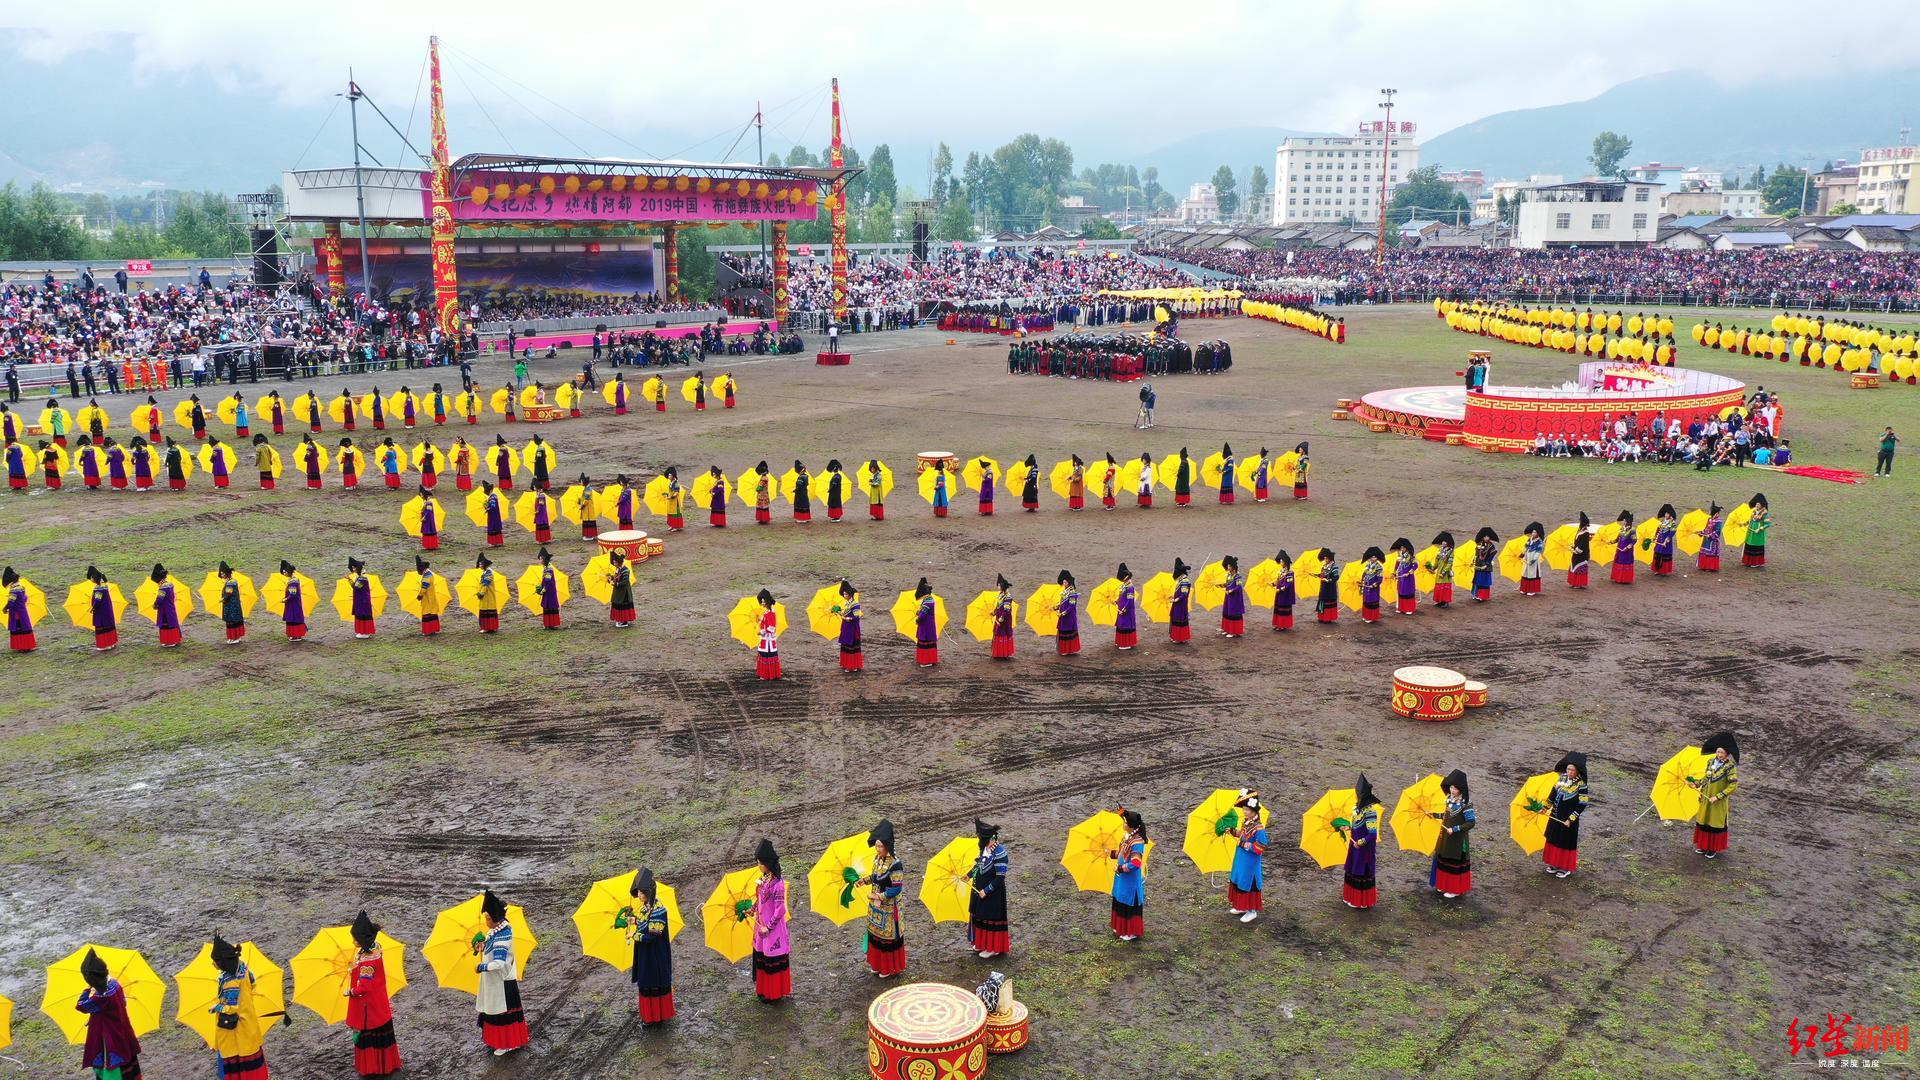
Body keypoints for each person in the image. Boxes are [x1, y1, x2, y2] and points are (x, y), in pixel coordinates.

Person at [340, 911, 403, 1076]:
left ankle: (372, 1068)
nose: (353, 941)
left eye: (355, 938)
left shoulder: (367, 961)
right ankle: (386, 1064)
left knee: (369, 1038)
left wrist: (350, 991)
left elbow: (364, 987)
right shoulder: (375, 949)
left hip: (369, 1008)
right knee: (383, 1037)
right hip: (379, 1003)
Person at [206, 935, 271, 1080]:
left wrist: (217, 1007)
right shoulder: (243, 967)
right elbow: (253, 983)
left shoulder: (230, 981)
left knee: (238, 1064)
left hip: (236, 1031)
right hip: (249, 1024)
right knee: (252, 1053)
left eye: (215, 961)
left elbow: (232, 1007)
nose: (213, 964)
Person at [75, 947, 145, 1080]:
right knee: (127, 1062)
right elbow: (122, 1003)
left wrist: (87, 990)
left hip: (108, 1039)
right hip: (122, 1032)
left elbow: (81, 1006)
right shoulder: (116, 984)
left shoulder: (100, 997)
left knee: (111, 1069)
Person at [474, 890, 529, 1056]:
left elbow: (499, 963)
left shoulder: (503, 935)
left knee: (500, 1013)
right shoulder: (496, 931)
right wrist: (481, 947)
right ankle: (501, 1041)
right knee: (493, 1011)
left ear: (496, 918)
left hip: (501, 982)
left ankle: (508, 1043)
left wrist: (481, 967)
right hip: (494, 982)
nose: (486, 921)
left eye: (488, 918)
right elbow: (492, 951)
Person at [626, 869, 675, 1026]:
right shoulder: (646, 906)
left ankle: (655, 1017)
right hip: (647, 954)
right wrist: (633, 920)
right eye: (638, 892)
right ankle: (653, 1015)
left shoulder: (659, 911)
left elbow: (651, 936)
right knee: (649, 982)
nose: (639, 896)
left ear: (649, 892)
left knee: (652, 982)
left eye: (641, 892)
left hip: (655, 955)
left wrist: (633, 936)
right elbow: (644, 923)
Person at [863, 820, 908, 977]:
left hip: (889, 908)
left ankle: (888, 968)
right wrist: (864, 881)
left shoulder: (896, 865)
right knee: (875, 935)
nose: (878, 849)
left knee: (887, 939)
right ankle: (877, 964)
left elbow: (896, 888)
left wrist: (879, 896)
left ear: (887, 846)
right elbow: (876, 876)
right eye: (876, 846)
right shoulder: (877, 859)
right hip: (876, 907)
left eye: (880, 846)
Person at [750, 839, 792, 1003]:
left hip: (771, 930)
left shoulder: (778, 885)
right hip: (761, 927)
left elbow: (780, 909)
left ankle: (773, 993)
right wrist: (752, 909)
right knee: (762, 957)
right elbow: (759, 899)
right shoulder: (763, 879)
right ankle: (763, 990)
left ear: (768, 863)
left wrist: (769, 927)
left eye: (761, 863)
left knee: (771, 959)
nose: (759, 866)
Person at [1688, 733, 1739, 858]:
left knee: (1714, 823)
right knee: (1704, 820)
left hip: (1717, 801)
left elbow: (1733, 786)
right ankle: (1703, 845)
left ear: (1727, 754)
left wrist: (1718, 796)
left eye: (1722, 752)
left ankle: (1712, 848)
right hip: (1706, 798)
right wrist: (1696, 783)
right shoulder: (1711, 761)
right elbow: (1707, 777)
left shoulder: (1730, 767)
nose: (1719, 754)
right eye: (1718, 752)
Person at [1540, 752, 1590, 878]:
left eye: (1572, 770)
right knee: (1554, 838)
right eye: (1568, 769)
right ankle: (1554, 863)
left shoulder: (1581, 786)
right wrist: (1545, 808)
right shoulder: (1561, 778)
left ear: (1578, 771)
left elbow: (1582, 804)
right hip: (1555, 816)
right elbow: (1553, 795)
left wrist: (1571, 819)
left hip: (1568, 821)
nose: (1570, 772)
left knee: (1565, 842)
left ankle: (1565, 867)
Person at [1430, 770, 1476, 899]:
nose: (1452, 790)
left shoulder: (1466, 804)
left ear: (1461, 789)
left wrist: (1455, 829)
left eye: (1455, 788)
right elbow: (1446, 816)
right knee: (1444, 859)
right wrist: (1433, 815)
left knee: (1454, 863)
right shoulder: (1448, 800)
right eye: (1451, 787)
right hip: (1446, 839)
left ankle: (1455, 889)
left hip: (1457, 841)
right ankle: (1444, 885)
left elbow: (1471, 823)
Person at [969, 818, 1010, 958]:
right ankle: (981, 943)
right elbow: (979, 865)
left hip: (993, 894)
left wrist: (986, 891)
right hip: (979, 891)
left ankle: (994, 947)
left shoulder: (1000, 853)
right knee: (980, 916)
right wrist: (969, 875)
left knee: (991, 918)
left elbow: (1000, 877)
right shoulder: (985, 849)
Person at [1225, 790, 1266, 923]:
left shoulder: (1259, 828)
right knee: (1240, 880)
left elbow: (1260, 847)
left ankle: (1252, 911)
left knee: (1249, 883)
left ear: (1254, 811)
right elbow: (1242, 835)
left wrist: (1243, 844)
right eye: (1244, 809)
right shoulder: (1246, 822)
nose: (1244, 811)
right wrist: (1232, 831)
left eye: (1247, 809)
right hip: (1241, 860)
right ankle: (1242, 906)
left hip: (1250, 863)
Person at [1340, 776, 1380, 909]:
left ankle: (1361, 901)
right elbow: (1357, 826)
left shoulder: (1370, 813)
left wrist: (1360, 842)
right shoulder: (1357, 810)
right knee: (1352, 868)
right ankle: (1351, 897)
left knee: (1361, 871)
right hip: (1354, 847)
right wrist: (1348, 827)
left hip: (1364, 850)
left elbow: (1372, 834)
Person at [1109, 809, 1148, 941]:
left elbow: (1135, 864)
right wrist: (1110, 853)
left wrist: (1120, 868)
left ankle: (1129, 931)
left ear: (1130, 825)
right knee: (1120, 899)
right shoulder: (1128, 837)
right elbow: (1122, 853)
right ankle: (1120, 928)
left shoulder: (1137, 843)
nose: (1123, 824)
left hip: (1130, 880)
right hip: (1122, 879)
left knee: (1128, 902)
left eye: (1125, 822)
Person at [149, 564, 183, 647]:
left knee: (166, 624)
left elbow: (160, 598)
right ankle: (175, 639)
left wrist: (155, 604)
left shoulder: (163, 588)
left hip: (165, 610)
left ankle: (169, 641)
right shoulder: (170, 585)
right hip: (171, 607)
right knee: (173, 622)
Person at [4, 567, 35, 653]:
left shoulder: (13, 590)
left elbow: (11, 602)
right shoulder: (21, 587)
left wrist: (5, 608)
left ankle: (21, 647)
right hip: (23, 611)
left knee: (18, 629)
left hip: (16, 613)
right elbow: (25, 598)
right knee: (25, 628)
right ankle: (28, 646)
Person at [834, 579, 863, 672]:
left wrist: (848, 619)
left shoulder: (855, 605)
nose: (844, 595)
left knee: (851, 646)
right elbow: (845, 613)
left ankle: (852, 666)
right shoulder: (847, 603)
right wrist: (838, 612)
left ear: (850, 594)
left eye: (846, 594)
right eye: (844, 594)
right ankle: (848, 664)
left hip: (852, 629)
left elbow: (857, 617)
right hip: (846, 627)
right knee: (846, 645)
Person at [346, 558, 377, 639]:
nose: (353, 569)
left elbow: (356, 587)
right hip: (361, 600)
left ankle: (364, 632)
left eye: (354, 568)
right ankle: (364, 631)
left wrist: (349, 580)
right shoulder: (360, 577)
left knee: (362, 615)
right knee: (361, 614)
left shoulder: (362, 578)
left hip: (362, 601)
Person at [215, 561, 246, 644]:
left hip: (232, 606)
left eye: (222, 573)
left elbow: (228, 593)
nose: (222, 575)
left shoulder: (230, 583)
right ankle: (233, 637)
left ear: (226, 573)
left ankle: (235, 637)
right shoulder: (230, 581)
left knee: (233, 620)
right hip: (231, 605)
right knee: (232, 621)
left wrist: (223, 599)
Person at [756, 588, 781, 679]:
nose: (762, 604)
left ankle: (767, 675)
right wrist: (760, 621)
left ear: (767, 601)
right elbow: (767, 624)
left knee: (766, 655)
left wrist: (761, 632)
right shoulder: (767, 612)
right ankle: (767, 674)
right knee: (765, 655)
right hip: (766, 640)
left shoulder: (770, 613)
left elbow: (771, 627)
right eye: (761, 602)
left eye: (763, 602)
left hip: (768, 641)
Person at [914, 577, 939, 666]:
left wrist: (918, 617)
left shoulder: (927, 602)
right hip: (929, 625)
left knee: (924, 642)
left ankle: (926, 661)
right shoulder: (929, 599)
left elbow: (923, 613)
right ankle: (930, 660)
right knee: (929, 642)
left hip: (926, 626)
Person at [607, 550, 636, 627]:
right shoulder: (617, 569)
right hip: (618, 591)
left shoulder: (625, 570)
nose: (614, 563)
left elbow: (625, 582)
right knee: (617, 604)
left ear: (619, 562)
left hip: (624, 592)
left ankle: (624, 621)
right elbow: (616, 578)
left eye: (615, 562)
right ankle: (620, 619)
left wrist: (615, 583)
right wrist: (611, 578)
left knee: (623, 605)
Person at [1219, 555, 1246, 638]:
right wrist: (1221, 585)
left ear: (1233, 567)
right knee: (1227, 612)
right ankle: (1227, 629)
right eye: (1228, 565)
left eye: (1229, 566)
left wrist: (1231, 590)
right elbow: (1227, 584)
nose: (1228, 567)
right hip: (1228, 597)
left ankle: (1234, 631)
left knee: (1233, 613)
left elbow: (1239, 587)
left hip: (1235, 598)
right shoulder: (1228, 575)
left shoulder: (1238, 576)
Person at [474, 554, 502, 634]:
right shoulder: (486, 572)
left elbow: (485, 585)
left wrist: (481, 593)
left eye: (480, 564)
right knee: (489, 610)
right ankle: (491, 627)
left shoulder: (488, 573)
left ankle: (486, 627)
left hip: (487, 596)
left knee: (486, 610)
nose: (479, 565)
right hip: (488, 596)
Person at [990, 574, 1016, 659]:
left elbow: (1007, 610)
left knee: (1003, 633)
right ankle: (999, 654)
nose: (998, 586)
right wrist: (994, 612)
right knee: (998, 633)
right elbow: (998, 606)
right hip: (999, 617)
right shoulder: (1000, 594)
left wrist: (1002, 618)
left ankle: (1003, 654)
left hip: (1005, 619)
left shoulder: (1008, 597)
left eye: (999, 585)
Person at [1390, 538, 1418, 615]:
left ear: (1406, 548)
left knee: (1407, 592)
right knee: (1401, 591)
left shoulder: (1411, 556)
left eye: (1403, 548)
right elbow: (1397, 565)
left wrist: (1409, 572)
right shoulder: (1400, 556)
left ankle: (1408, 608)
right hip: (1401, 577)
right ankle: (1401, 608)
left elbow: (1415, 565)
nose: (1401, 549)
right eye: (1401, 548)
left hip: (1408, 578)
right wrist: (1394, 573)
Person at [1114, 563, 1138, 649]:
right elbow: (1121, 596)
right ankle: (1121, 642)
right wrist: (1117, 601)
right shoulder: (1123, 586)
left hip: (1126, 610)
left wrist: (1124, 608)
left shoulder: (1130, 588)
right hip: (1121, 609)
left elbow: (1130, 600)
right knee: (1120, 625)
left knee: (1125, 625)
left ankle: (1126, 643)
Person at [1743, 493, 1771, 568]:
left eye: (1758, 504)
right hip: (1751, 531)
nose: (1756, 505)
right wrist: (1744, 523)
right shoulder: (1754, 512)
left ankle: (1756, 562)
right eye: (1756, 504)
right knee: (1749, 545)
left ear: (1761, 505)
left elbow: (1768, 524)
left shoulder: (1765, 514)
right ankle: (1747, 561)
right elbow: (1750, 520)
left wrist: (1760, 528)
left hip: (1758, 533)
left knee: (1756, 546)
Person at [1270, 550, 1296, 631]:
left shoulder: (1290, 573)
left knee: (1283, 609)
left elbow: (1289, 584)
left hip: (1285, 594)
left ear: (1285, 563)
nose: (1280, 563)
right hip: (1279, 593)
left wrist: (1280, 589)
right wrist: (1273, 584)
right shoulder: (1280, 571)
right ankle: (1278, 624)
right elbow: (1279, 580)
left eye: (1281, 561)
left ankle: (1283, 625)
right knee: (1278, 608)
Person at [1315, 547, 1339, 624]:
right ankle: (1321, 617)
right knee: (1322, 600)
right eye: (1325, 558)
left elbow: (1336, 577)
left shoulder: (1334, 567)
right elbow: (1322, 575)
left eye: (1326, 558)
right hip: (1323, 587)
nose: (1325, 560)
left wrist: (1328, 580)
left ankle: (1328, 618)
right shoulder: (1324, 566)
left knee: (1328, 602)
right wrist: (1316, 575)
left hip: (1330, 588)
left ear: (1330, 559)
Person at [1610, 510, 1636, 585]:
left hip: (1627, 551)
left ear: (1628, 521)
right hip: (1620, 549)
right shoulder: (1622, 528)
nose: (1623, 522)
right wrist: (1612, 542)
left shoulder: (1632, 530)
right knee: (1619, 561)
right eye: (1623, 521)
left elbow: (1634, 541)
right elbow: (1618, 538)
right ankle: (1618, 578)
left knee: (1624, 562)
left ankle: (1624, 579)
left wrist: (1627, 548)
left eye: (1624, 521)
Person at [1360, 546, 1385, 624]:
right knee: (1366, 601)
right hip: (1366, 586)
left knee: (1371, 601)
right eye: (1371, 556)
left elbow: (1380, 579)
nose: (1372, 558)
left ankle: (1371, 617)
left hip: (1373, 588)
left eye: (1374, 557)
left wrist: (1374, 585)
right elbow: (1364, 574)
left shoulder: (1379, 567)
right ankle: (1365, 616)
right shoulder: (1367, 565)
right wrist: (1361, 582)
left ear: (1377, 558)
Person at [1472, 528, 1498, 602]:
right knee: (1477, 579)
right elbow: (1476, 554)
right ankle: (1476, 594)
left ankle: (1483, 596)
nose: (1486, 538)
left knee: (1484, 580)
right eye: (1485, 536)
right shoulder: (1479, 545)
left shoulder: (1491, 546)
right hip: (1478, 564)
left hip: (1486, 565)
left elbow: (1491, 557)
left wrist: (1486, 565)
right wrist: (1473, 561)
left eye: (1487, 537)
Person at [1651, 505, 1677, 577]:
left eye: (1668, 514)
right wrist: (1655, 537)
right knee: (1658, 555)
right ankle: (1657, 569)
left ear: (1670, 515)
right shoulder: (1662, 521)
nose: (1666, 515)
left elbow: (1672, 533)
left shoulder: (1673, 524)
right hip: (1659, 541)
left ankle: (1663, 571)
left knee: (1664, 556)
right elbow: (1658, 530)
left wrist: (1666, 541)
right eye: (1665, 513)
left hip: (1666, 542)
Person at [1697, 503, 1724, 572]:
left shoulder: (1718, 521)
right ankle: (1703, 566)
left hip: (1713, 541)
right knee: (1704, 552)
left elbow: (1718, 531)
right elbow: (1706, 528)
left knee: (1711, 553)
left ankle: (1710, 566)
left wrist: (1711, 535)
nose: (1718, 514)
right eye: (1718, 513)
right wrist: (1700, 532)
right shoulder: (1709, 520)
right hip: (1706, 539)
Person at [1520, 522, 1546, 595]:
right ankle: (1524, 589)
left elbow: (1538, 552)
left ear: (1538, 533)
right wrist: (1522, 554)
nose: (1533, 533)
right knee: (1525, 573)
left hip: (1532, 560)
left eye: (1535, 532)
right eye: (1533, 532)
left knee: (1532, 574)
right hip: (1526, 558)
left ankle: (1532, 590)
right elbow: (1525, 547)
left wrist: (1533, 560)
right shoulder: (1529, 539)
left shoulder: (1539, 542)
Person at [1567, 514, 1592, 588]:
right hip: (1576, 553)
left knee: (1579, 566)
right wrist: (1573, 546)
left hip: (1582, 554)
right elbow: (1577, 541)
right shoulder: (1580, 530)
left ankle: (1579, 583)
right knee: (1574, 565)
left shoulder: (1586, 533)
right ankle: (1574, 582)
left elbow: (1582, 545)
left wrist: (1574, 550)